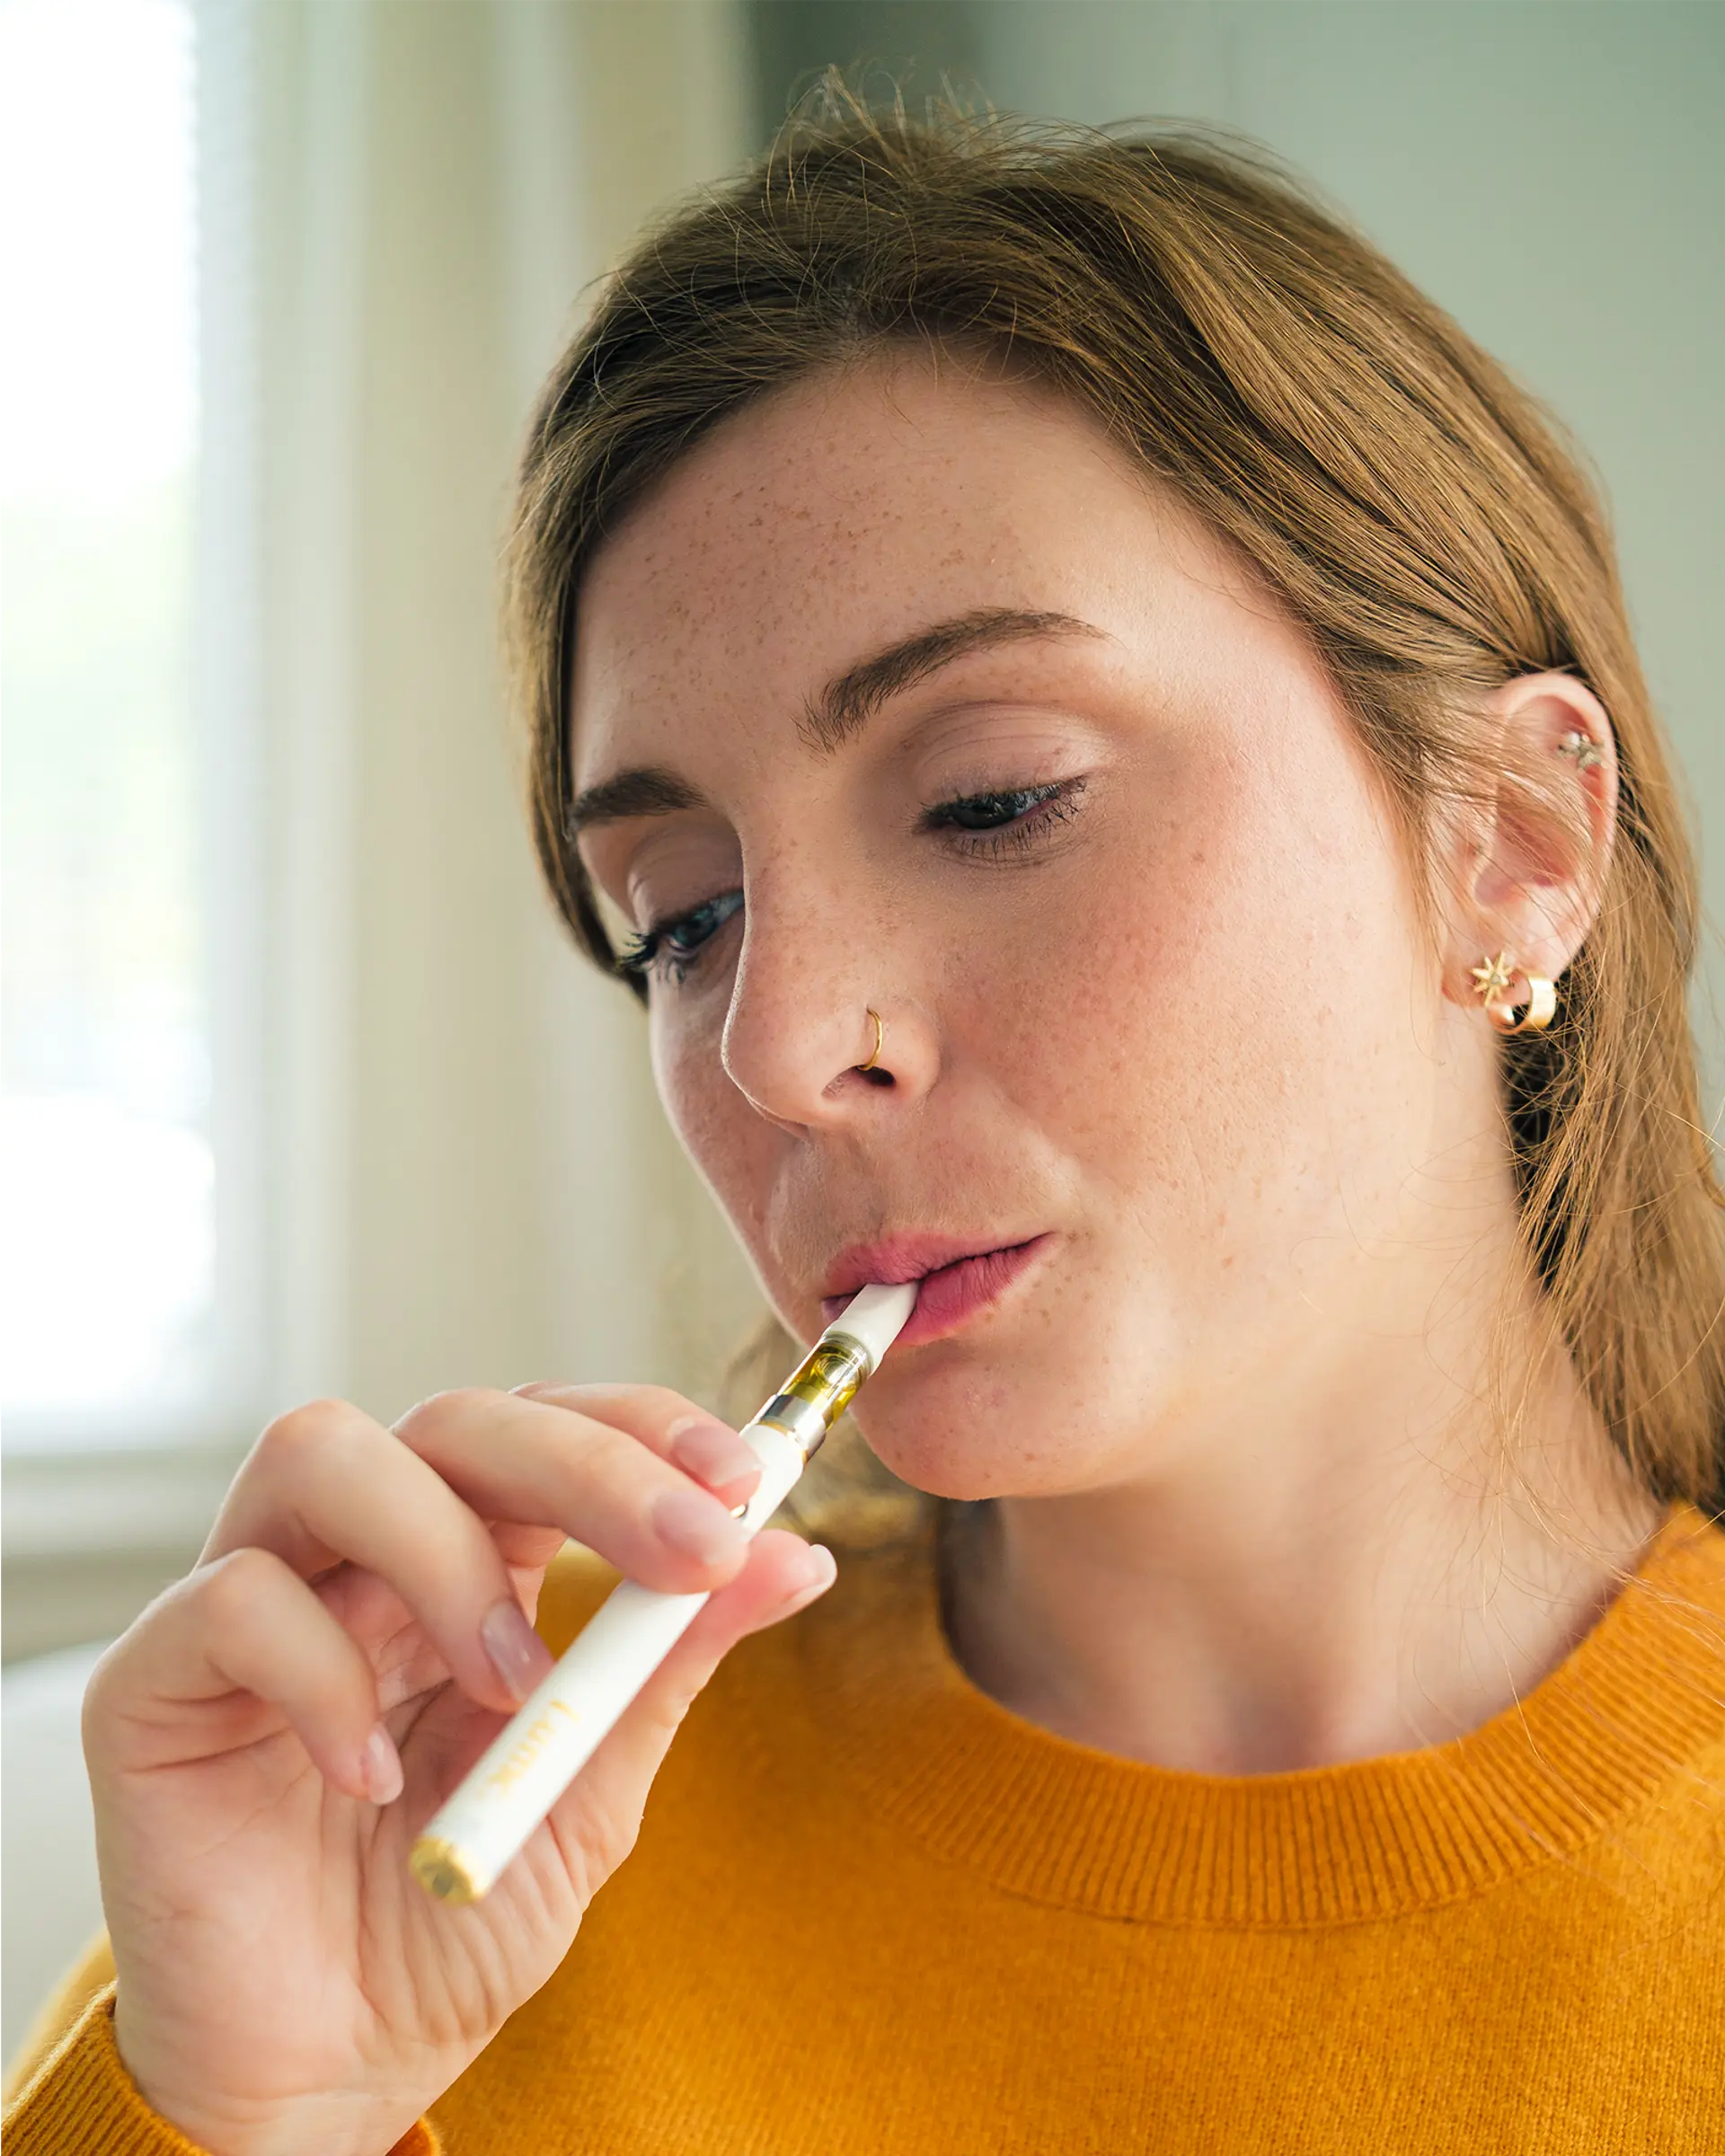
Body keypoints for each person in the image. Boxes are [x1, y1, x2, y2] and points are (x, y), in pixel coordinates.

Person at [6, 97, 1725, 2154]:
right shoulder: (444, 1801)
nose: (779, 1042)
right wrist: (258, 2121)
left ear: (1516, 845)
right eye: (685, 919)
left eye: (993, 795)